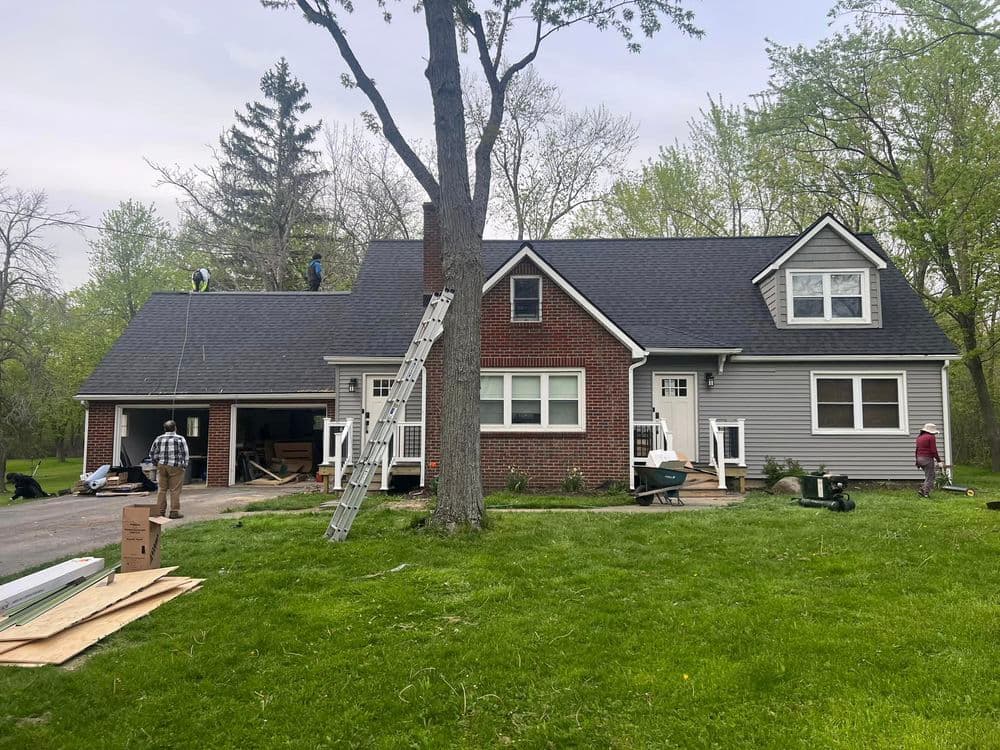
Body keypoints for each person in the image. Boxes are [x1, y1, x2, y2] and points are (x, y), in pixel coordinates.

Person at [149, 419, 189, 518]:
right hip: (176, 466)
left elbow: (152, 453)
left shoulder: (158, 438)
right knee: (174, 490)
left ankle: (160, 511)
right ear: (175, 428)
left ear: (164, 429)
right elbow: (185, 453)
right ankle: (174, 512)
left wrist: (156, 463)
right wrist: (184, 465)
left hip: (161, 466)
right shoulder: (180, 439)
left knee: (162, 489)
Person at [915, 422, 942, 498]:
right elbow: (934, 451)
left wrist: (917, 462)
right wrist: (939, 461)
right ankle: (925, 493)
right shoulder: (931, 437)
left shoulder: (919, 437)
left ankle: (922, 490)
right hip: (927, 459)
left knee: (928, 476)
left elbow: (917, 450)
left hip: (919, 458)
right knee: (931, 476)